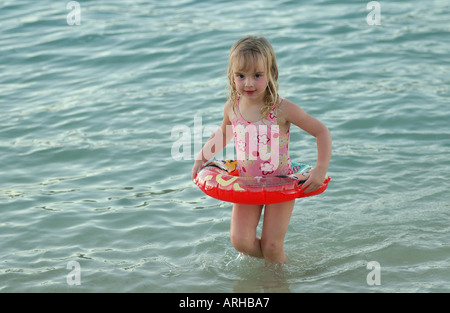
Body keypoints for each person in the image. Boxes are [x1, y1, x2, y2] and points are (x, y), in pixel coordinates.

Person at [191, 36, 332, 264]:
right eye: (241, 76)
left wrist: (320, 169)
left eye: (257, 75)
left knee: (272, 245)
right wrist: (202, 157)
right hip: (248, 182)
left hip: (280, 182)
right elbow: (224, 133)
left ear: (271, 73)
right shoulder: (233, 107)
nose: (248, 83)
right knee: (241, 241)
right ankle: (281, 263)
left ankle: (277, 280)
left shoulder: (282, 108)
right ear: (232, 76)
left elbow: (321, 132)